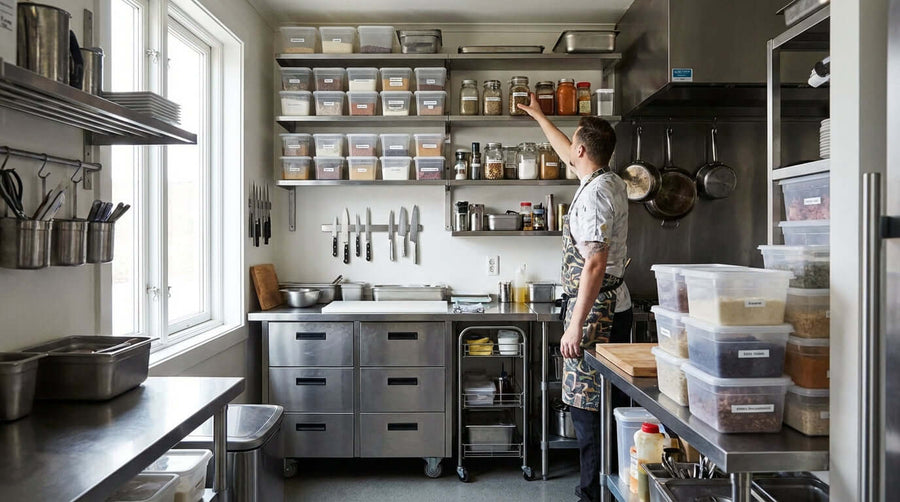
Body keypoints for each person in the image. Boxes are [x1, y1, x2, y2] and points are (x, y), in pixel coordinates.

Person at [518, 95, 632, 502]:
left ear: (582, 150)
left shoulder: (594, 196)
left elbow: (595, 265)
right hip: (611, 303)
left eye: (574, 146)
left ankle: (593, 494)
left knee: (588, 407)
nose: (569, 151)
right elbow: (566, 149)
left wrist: (575, 324)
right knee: (605, 402)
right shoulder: (609, 180)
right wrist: (538, 116)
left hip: (596, 310)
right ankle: (608, 485)